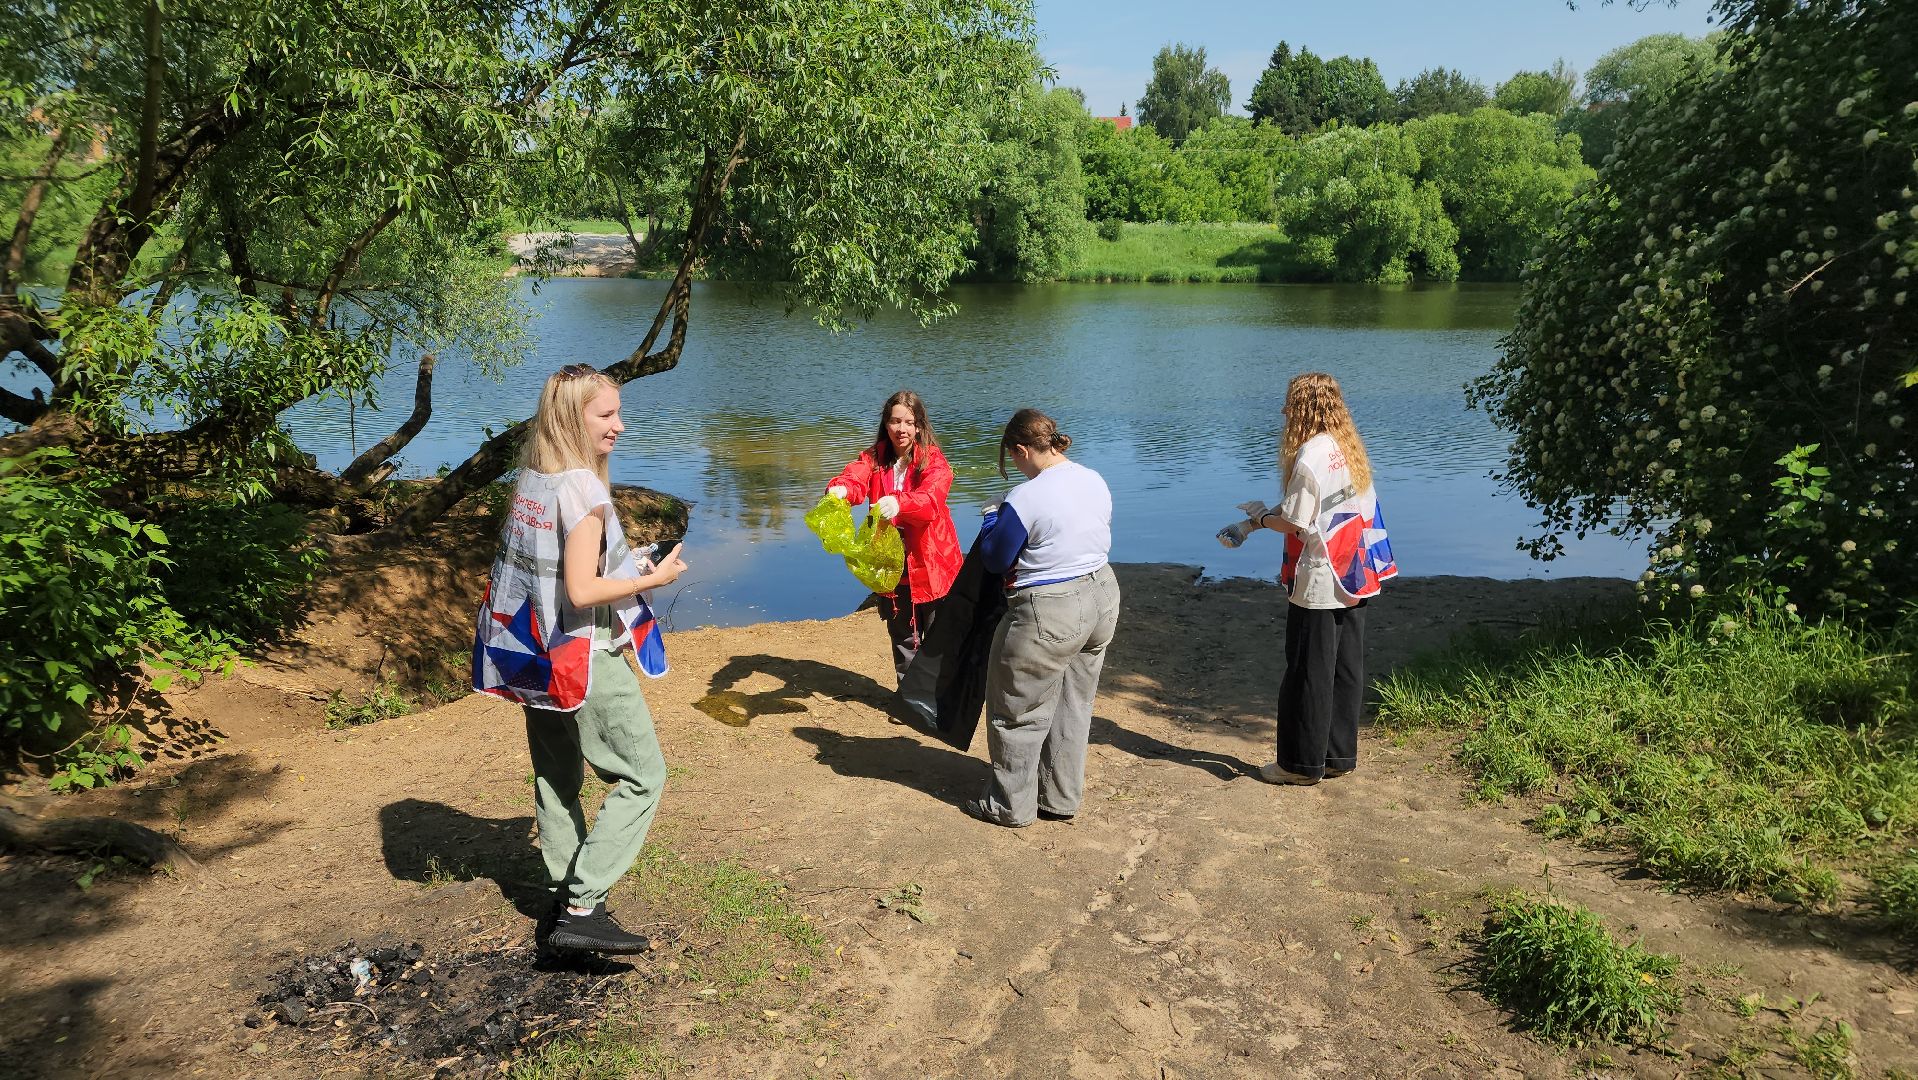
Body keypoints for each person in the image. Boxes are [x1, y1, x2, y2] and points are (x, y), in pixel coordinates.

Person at [472, 362, 687, 954]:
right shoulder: (584, 489)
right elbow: (583, 592)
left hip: (534, 655)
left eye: (617, 412)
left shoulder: (534, 481)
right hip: (585, 657)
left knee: (557, 777)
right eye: (606, 414)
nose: (619, 425)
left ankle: (563, 893)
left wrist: (630, 565)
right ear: (572, 417)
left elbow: (558, 573)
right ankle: (581, 906)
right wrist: (660, 577)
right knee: (644, 777)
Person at [962, 408, 1120, 828]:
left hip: (1050, 609)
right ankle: (1060, 797)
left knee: (1018, 707)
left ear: (1020, 449)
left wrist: (992, 516)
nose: (1015, 467)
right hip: (1102, 593)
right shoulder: (1093, 477)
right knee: (1074, 702)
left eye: (1012, 459)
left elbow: (996, 559)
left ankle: (1008, 805)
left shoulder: (1026, 496)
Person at [1245, 372, 1395, 787]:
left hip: (1320, 578)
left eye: (1290, 404)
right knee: (1345, 668)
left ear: (1304, 409)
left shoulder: (1310, 454)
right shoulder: (1346, 446)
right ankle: (1337, 756)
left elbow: (1294, 521)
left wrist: (1258, 518)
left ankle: (1299, 765)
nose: (1284, 411)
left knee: (1307, 671)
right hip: (1355, 571)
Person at [826, 390, 963, 681]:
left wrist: (901, 503)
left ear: (919, 426)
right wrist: (841, 489)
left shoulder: (935, 463)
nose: (901, 429)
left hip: (931, 560)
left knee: (939, 637)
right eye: (895, 421)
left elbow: (930, 501)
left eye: (909, 422)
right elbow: (856, 478)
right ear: (886, 424)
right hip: (890, 561)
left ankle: (939, 700)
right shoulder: (874, 458)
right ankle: (909, 700)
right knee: (902, 635)